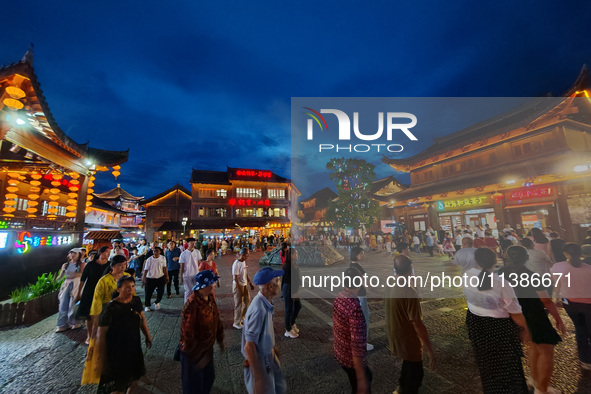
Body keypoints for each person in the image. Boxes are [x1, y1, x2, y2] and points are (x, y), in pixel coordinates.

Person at [463, 248, 530, 393]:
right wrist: (526, 329)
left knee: (486, 362)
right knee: (507, 366)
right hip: (498, 328)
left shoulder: (467, 275)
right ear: (495, 261)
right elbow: (515, 313)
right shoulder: (500, 282)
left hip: (476, 323)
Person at [500, 246, 564, 394]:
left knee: (534, 347)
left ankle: (534, 380)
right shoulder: (530, 275)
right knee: (546, 350)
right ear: (526, 258)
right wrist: (558, 319)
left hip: (515, 315)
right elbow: (545, 300)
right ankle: (542, 389)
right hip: (534, 315)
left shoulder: (502, 273)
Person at [385, 255, 435, 394]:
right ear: (410, 269)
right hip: (409, 339)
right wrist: (430, 349)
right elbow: (417, 323)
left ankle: (400, 388)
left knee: (409, 364)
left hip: (395, 334)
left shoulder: (389, 283)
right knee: (416, 375)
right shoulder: (408, 291)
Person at [95, 276, 151, 394]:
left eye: (132, 286)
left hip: (134, 347)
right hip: (117, 351)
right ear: (118, 289)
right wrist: (102, 360)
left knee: (136, 378)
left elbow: (142, 319)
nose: (130, 289)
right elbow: (101, 335)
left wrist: (147, 335)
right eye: (127, 287)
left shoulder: (136, 301)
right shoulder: (111, 308)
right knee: (118, 385)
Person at [242, 267, 286, 394]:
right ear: (270, 286)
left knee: (278, 388)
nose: (279, 283)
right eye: (277, 280)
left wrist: (271, 347)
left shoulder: (265, 303)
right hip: (261, 361)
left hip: (267, 356)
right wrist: (258, 377)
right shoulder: (258, 309)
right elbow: (249, 346)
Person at [180, 270, 224, 393]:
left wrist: (220, 338)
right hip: (192, 353)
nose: (214, 285)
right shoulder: (192, 305)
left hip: (206, 350)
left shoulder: (209, 298)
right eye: (212, 283)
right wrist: (198, 357)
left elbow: (216, 317)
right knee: (194, 387)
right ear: (204, 286)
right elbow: (188, 333)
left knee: (208, 379)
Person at [551, 243, 591, 370]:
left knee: (580, 328)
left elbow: (556, 285)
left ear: (564, 253)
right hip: (588, 303)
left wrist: (556, 298)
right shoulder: (588, 268)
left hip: (568, 302)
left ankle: (585, 360)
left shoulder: (558, 267)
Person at [333, 267, 371, 393]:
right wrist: (361, 377)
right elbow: (357, 345)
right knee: (361, 386)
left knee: (367, 377)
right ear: (359, 281)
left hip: (340, 352)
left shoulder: (340, 296)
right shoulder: (355, 307)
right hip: (350, 359)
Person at [75, 246, 110, 344]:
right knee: (89, 315)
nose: (108, 255)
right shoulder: (90, 265)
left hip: (103, 293)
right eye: (107, 253)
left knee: (100, 315)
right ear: (100, 253)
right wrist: (79, 293)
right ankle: (89, 336)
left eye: (109, 253)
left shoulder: (110, 265)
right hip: (90, 291)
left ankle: (98, 335)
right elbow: (83, 279)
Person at [349, 246, 374, 351]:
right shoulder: (358, 268)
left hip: (355, 295)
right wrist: (369, 289)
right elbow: (365, 283)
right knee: (364, 318)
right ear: (355, 255)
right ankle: (362, 342)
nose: (363, 255)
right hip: (361, 295)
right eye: (361, 254)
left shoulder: (352, 266)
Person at [56, 248, 85, 332]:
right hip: (66, 284)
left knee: (73, 304)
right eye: (71, 253)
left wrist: (74, 274)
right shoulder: (65, 265)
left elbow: (83, 274)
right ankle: (62, 324)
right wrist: (56, 280)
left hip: (76, 284)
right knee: (63, 304)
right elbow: (61, 276)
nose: (72, 255)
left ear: (79, 255)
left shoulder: (82, 264)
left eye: (75, 253)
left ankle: (75, 322)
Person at [232, 247, 255, 329]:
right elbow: (235, 278)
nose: (247, 256)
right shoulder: (236, 264)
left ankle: (242, 317)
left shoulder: (244, 262)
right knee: (238, 304)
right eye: (246, 255)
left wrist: (250, 283)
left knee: (247, 301)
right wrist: (239, 289)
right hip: (238, 285)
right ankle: (236, 322)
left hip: (244, 284)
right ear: (242, 254)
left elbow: (246, 273)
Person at [282, 248, 302, 339]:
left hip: (293, 288)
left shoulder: (293, 263)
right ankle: (288, 329)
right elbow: (288, 279)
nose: (297, 255)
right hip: (289, 288)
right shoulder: (287, 265)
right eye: (296, 254)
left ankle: (292, 322)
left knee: (298, 306)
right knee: (289, 308)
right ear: (291, 255)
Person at [142, 246, 169, 312]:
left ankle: (157, 302)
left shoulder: (163, 258)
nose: (155, 252)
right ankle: (147, 306)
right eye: (154, 251)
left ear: (160, 251)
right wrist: (143, 278)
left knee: (161, 291)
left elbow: (164, 268)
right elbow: (145, 270)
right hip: (150, 278)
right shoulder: (149, 259)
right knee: (148, 293)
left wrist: (167, 276)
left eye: (157, 251)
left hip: (160, 277)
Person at [179, 237, 203, 303]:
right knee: (188, 291)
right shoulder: (183, 254)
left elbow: (199, 263)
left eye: (193, 242)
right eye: (191, 242)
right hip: (187, 275)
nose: (192, 244)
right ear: (188, 243)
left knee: (196, 290)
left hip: (196, 274)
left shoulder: (197, 252)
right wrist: (181, 277)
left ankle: (194, 304)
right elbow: (182, 266)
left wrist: (201, 273)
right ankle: (186, 306)